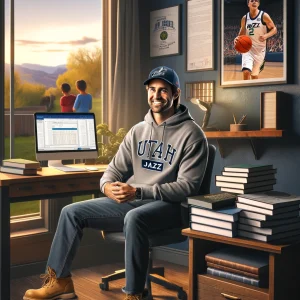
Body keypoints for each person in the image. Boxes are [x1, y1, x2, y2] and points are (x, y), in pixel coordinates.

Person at [23, 66, 208, 300]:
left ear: (176, 93)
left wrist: (138, 191)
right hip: (134, 200)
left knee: (134, 218)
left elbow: (187, 187)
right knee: (71, 212)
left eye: (163, 90)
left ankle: (135, 294)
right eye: (152, 89)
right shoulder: (137, 131)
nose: (156, 95)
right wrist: (107, 186)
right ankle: (60, 281)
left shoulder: (193, 134)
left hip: (170, 207)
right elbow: (112, 171)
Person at [234, 0, 277, 80]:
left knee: (254, 75)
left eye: (256, 1)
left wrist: (266, 35)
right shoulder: (245, 18)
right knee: (246, 72)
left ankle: (254, 91)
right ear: (248, 4)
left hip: (260, 50)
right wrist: (236, 39)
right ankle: (246, 91)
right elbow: (241, 34)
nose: (254, 2)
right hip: (248, 49)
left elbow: (274, 29)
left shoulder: (264, 16)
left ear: (259, 3)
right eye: (252, 1)